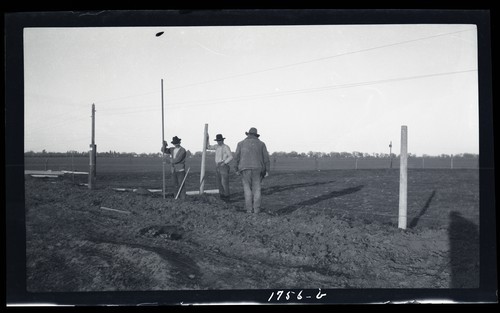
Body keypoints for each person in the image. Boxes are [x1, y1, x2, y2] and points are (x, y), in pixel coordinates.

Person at [233, 127, 270, 213]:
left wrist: (236, 169)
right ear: (256, 135)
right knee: (257, 190)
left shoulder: (240, 143)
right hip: (258, 169)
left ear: (248, 134)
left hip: (244, 168)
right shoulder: (261, 144)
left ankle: (249, 210)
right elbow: (266, 158)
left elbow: (236, 157)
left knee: (247, 190)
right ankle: (257, 210)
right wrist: (267, 170)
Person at [206, 134, 233, 201]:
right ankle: (222, 196)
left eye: (220, 140)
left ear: (222, 140)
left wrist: (224, 163)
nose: (219, 142)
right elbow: (208, 147)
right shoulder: (216, 147)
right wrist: (207, 139)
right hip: (217, 165)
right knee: (219, 182)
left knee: (224, 183)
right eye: (218, 141)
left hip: (223, 166)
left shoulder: (226, 147)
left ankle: (227, 197)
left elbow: (231, 156)